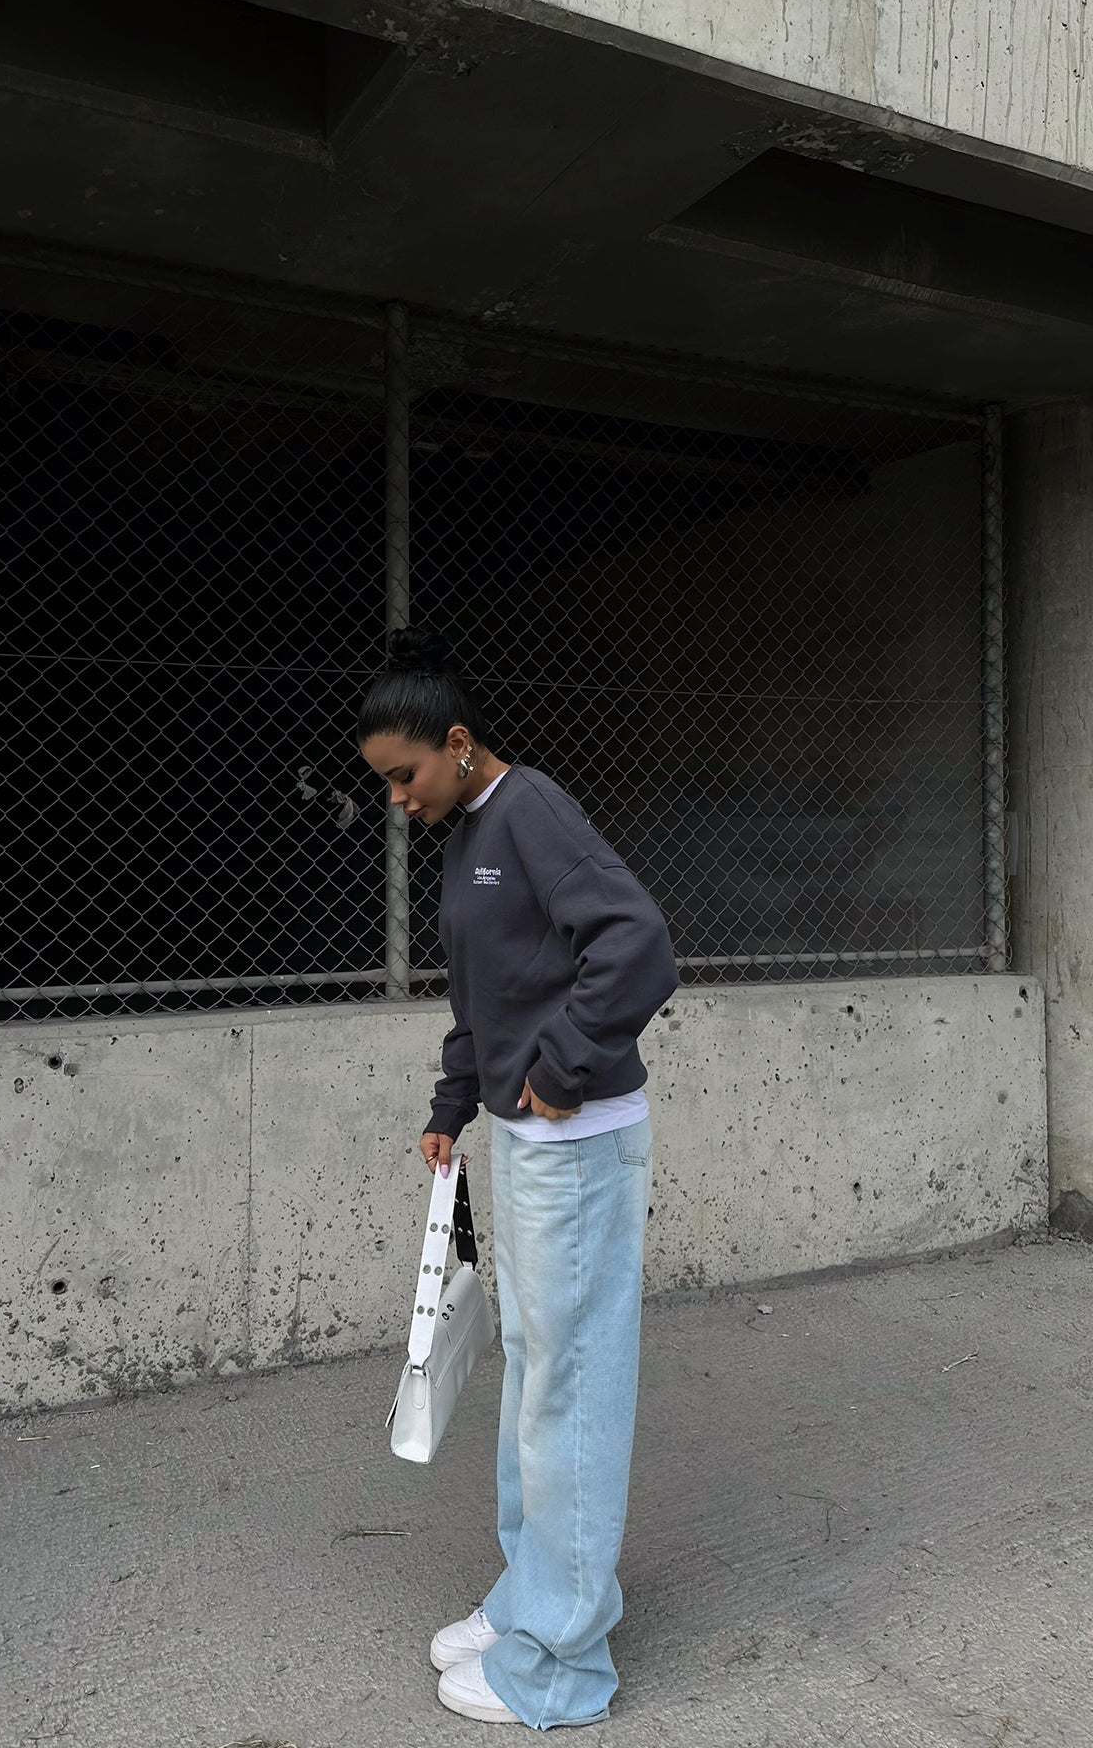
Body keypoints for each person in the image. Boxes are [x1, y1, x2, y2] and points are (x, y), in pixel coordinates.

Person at [358, 625, 678, 1731]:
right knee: (538, 1372)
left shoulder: (530, 807)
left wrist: (553, 1075)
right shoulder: (465, 829)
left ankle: (559, 1666)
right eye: (386, 783)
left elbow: (637, 945)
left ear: (458, 743)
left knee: (570, 1387)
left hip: (576, 1144)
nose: (399, 799)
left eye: (407, 775)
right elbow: (482, 993)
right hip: (533, 1144)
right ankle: (532, 1600)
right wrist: (457, 1104)